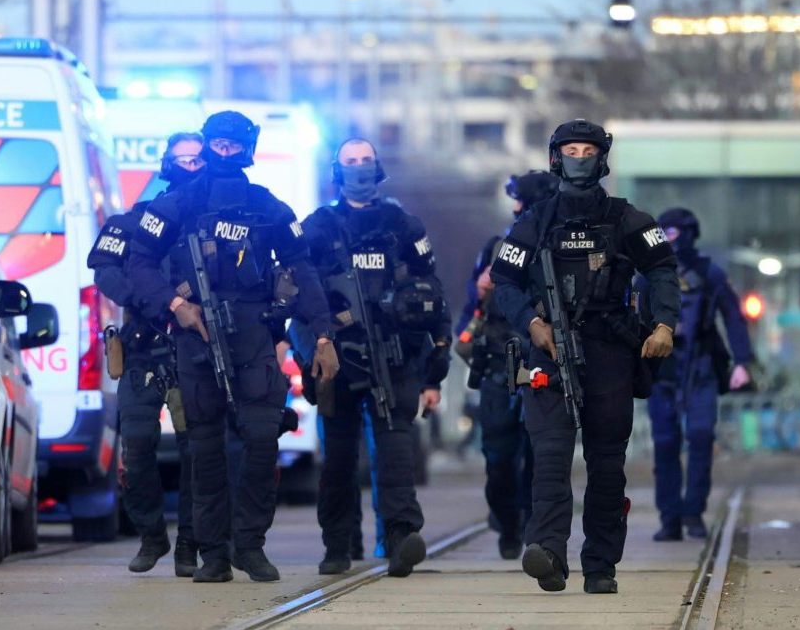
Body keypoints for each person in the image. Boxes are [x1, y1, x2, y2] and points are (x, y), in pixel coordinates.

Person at [128, 110, 338, 582]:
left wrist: (322, 332)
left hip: (255, 334)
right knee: (205, 449)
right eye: (217, 145)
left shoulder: (269, 208)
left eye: (232, 147)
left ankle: (251, 545)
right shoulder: (175, 205)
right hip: (196, 333)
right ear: (207, 145)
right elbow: (138, 262)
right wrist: (173, 305)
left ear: (246, 150)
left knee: (262, 442)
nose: (224, 153)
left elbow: (303, 269)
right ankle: (214, 555)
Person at [491, 121, 680, 594]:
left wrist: (664, 325)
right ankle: (548, 551)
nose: (579, 157)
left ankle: (601, 564)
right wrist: (532, 325)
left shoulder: (627, 219)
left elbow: (662, 270)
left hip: (610, 350)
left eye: (588, 150)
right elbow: (505, 281)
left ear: (602, 158)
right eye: (570, 150)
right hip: (549, 349)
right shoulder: (534, 221)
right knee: (550, 456)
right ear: (556, 158)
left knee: (607, 461)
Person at [303, 138, 451, 578]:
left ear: (378, 166)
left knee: (395, 450)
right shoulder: (320, 226)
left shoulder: (402, 225)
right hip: (339, 357)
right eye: (351, 162)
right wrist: (307, 343)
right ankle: (338, 543)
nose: (360, 169)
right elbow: (298, 289)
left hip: (396, 355)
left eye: (366, 161)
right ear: (337, 169)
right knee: (339, 456)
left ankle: (402, 536)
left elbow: (432, 292)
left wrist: (436, 362)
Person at [88, 132, 204, 575]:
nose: (191, 166)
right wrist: (149, 298)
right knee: (136, 449)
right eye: (183, 159)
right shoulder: (133, 221)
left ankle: (191, 544)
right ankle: (152, 536)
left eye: (198, 159)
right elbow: (104, 269)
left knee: (198, 451)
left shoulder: (208, 222)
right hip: (142, 348)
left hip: (192, 351)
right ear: (167, 164)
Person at [458, 170, 554, 559]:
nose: (515, 209)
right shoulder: (499, 248)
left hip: (542, 364)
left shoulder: (557, 249)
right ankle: (506, 523)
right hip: (499, 364)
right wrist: (479, 292)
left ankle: (533, 530)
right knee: (497, 457)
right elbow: (472, 305)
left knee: (539, 455)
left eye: (521, 201)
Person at [647, 207, 753, 542]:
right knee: (665, 444)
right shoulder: (647, 273)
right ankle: (670, 518)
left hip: (702, 366)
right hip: (661, 369)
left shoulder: (710, 274)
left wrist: (742, 361)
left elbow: (733, 317)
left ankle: (693, 512)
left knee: (701, 437)